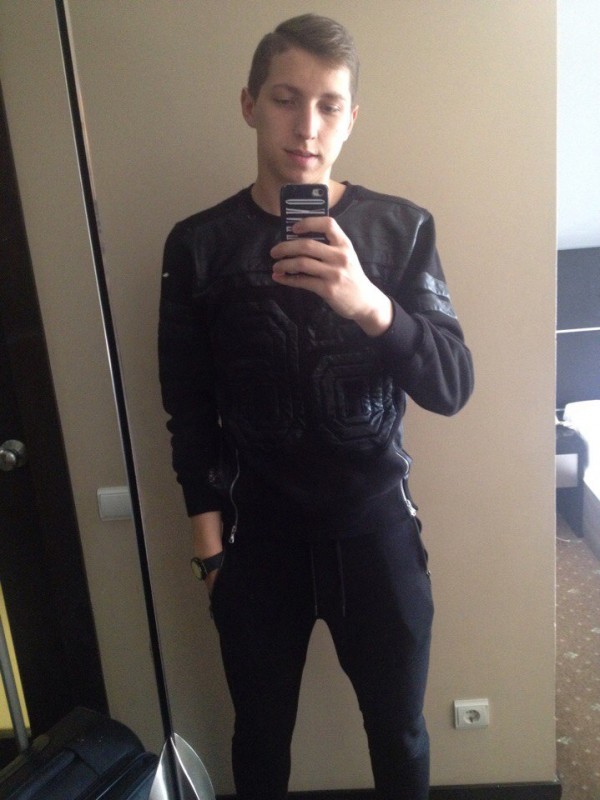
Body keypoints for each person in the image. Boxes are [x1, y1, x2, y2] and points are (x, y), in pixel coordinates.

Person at [159, 13, 473, 800]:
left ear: (351, 117)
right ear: (249, 104)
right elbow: (188, 406)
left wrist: (369, 304)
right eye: (285, 99)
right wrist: (209, 549)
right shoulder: (197, 245)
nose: (307, 126)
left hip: (378, 533)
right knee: (260, 739)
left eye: (329, 104)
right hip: (256, 544)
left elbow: (452, 385)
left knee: (400, 736)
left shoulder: (399, 230)